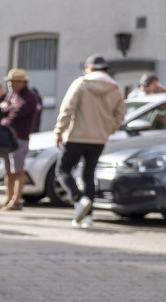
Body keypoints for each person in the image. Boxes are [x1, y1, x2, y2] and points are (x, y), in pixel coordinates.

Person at [55, 54, 126, 227]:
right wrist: (108, 130)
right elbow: (121, 115)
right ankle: (88, 217)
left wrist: (59, 131)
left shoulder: (81, 83)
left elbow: (67, 109)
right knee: (89, 175)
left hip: (77, 136)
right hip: (99, 139)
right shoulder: (115, 88)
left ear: (89, 68)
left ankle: (79, 200)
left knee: (63, 170)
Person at [0, 69, 40, 211]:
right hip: (8, 140)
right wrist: (5, 108)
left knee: (18, 170)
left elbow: (15, 114)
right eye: (9, 81)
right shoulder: (11, 96)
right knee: (8, 170)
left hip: (20, 138)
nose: (10, 84)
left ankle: (16, 200)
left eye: (13, 81)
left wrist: (6, 109)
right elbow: (2, 110)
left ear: (22, 82)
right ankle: (8, 198)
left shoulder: (29, 97)